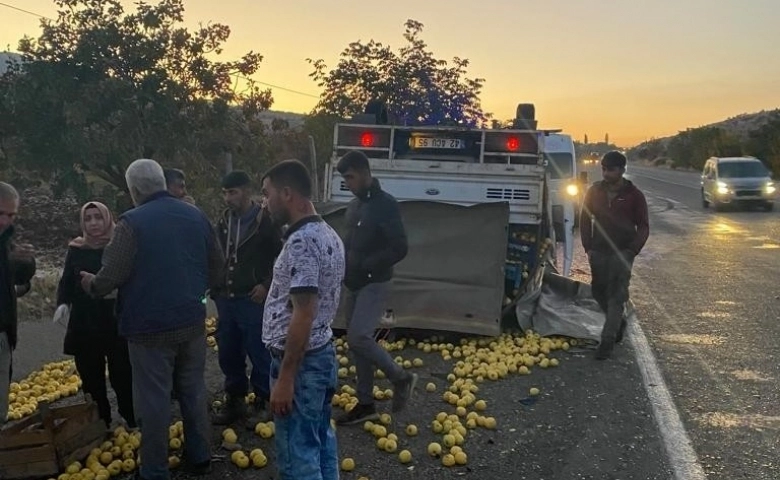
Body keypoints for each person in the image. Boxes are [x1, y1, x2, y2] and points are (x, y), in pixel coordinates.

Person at [79, 159, 225, 480]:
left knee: (154, 399)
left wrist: (91, 283)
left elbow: (111, 276)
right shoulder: (195, 215)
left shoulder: (131, 223)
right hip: (191, 322)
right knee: (193, 389)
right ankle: (200, 457)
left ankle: (155, 470)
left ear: (133, 190)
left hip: (148, 331)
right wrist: (198, 292)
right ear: (161, 182)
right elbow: (217, 266)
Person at [261, 159, 344, 480]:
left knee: (298, 458)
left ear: (286, 193)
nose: (264, 203)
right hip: (321, 357)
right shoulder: (328, 234)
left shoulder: (302, 242)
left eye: (267, 194)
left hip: (302, 364)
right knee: (320, 442)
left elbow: (304, 313)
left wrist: (285, 378)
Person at [333, 150, 415, 426]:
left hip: (375, 281)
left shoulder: (385, 205)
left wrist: (368, 265)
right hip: (353, 282)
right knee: (357, 345)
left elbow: (400, 247)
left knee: (359, 337)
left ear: (366, 173)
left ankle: (401, 377)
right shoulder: (355, 205)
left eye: (351, 177)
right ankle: (366, 403)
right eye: (344, 179)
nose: (348, 183)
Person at [211, 170, 282, 427]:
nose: (228, 198)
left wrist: (266, 284)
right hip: (226, 297)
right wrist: (214, 286)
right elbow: (216, 254)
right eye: (225, 193)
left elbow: (281, 257)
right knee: (228, 351)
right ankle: (235, 400)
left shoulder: (265, 221)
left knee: (258, 350)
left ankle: (264, 399)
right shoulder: (223, 221)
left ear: (247, 191)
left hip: (252, 298)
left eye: (233, 192)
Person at [56, 202, 136, 430]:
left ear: (108, 219)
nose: (93, 223)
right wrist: (62, 303)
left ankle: (130, 417)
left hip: (115, 320)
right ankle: (101, 421)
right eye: (88, 219)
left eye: (98, 217)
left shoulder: (120, 246)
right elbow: (67, 280)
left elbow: (130, 278)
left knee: (123, 373)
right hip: (85, 322)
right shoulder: (77, 248)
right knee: (91, 377)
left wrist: (112, 290)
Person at [580, 151, 649, 360]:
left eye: (610, 169)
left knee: (617, 295)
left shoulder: (634, 196)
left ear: (621, 170)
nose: (606, 173)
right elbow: (584, 218)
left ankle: (607, 341)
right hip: (599, 251)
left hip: (623, 253)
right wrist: (588, 247)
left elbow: (644, 226)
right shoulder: (594, 191)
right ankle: (618, 321)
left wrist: (632, 250)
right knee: (598, 292)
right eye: (604, 169)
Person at [0, 182, 35, 427]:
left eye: (11, 215)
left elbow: (18, 283)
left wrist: (25, 262)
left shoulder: (6, 241)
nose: (5, 221)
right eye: (0, 214)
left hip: (3, 333)